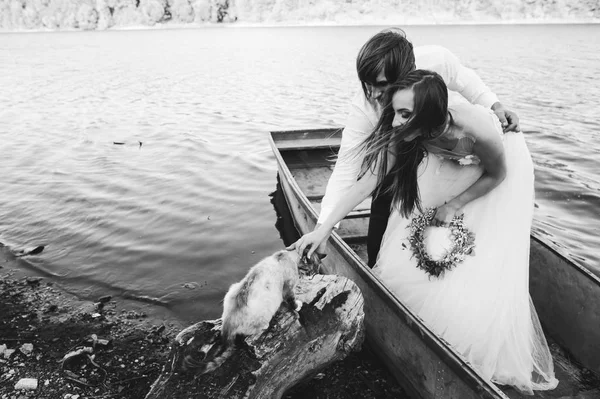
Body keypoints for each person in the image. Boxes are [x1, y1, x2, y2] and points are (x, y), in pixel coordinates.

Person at [289, 70, 558, 394]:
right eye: (396, 112)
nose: (396, 120)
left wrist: (455, 204)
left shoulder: (477, 129)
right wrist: (325, 229)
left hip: (496, 173)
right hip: (447, 159)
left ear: (428, 116)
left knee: (476, 245)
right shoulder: (404, 129)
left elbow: (498, 174)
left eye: (405, 114)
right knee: (418, 229)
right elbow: (368, 180)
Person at [316, 27, 521, 267]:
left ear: (405, 75)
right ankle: (376, 265)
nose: (372, 94)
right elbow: (349, 171)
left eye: (380, 85)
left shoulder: (438, 63)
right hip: (407, 140)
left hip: (445, 140)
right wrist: (324, 228)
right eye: (366, 84)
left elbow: (466, 81)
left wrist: (495, 106)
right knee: (386, 199)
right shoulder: (366, 107)